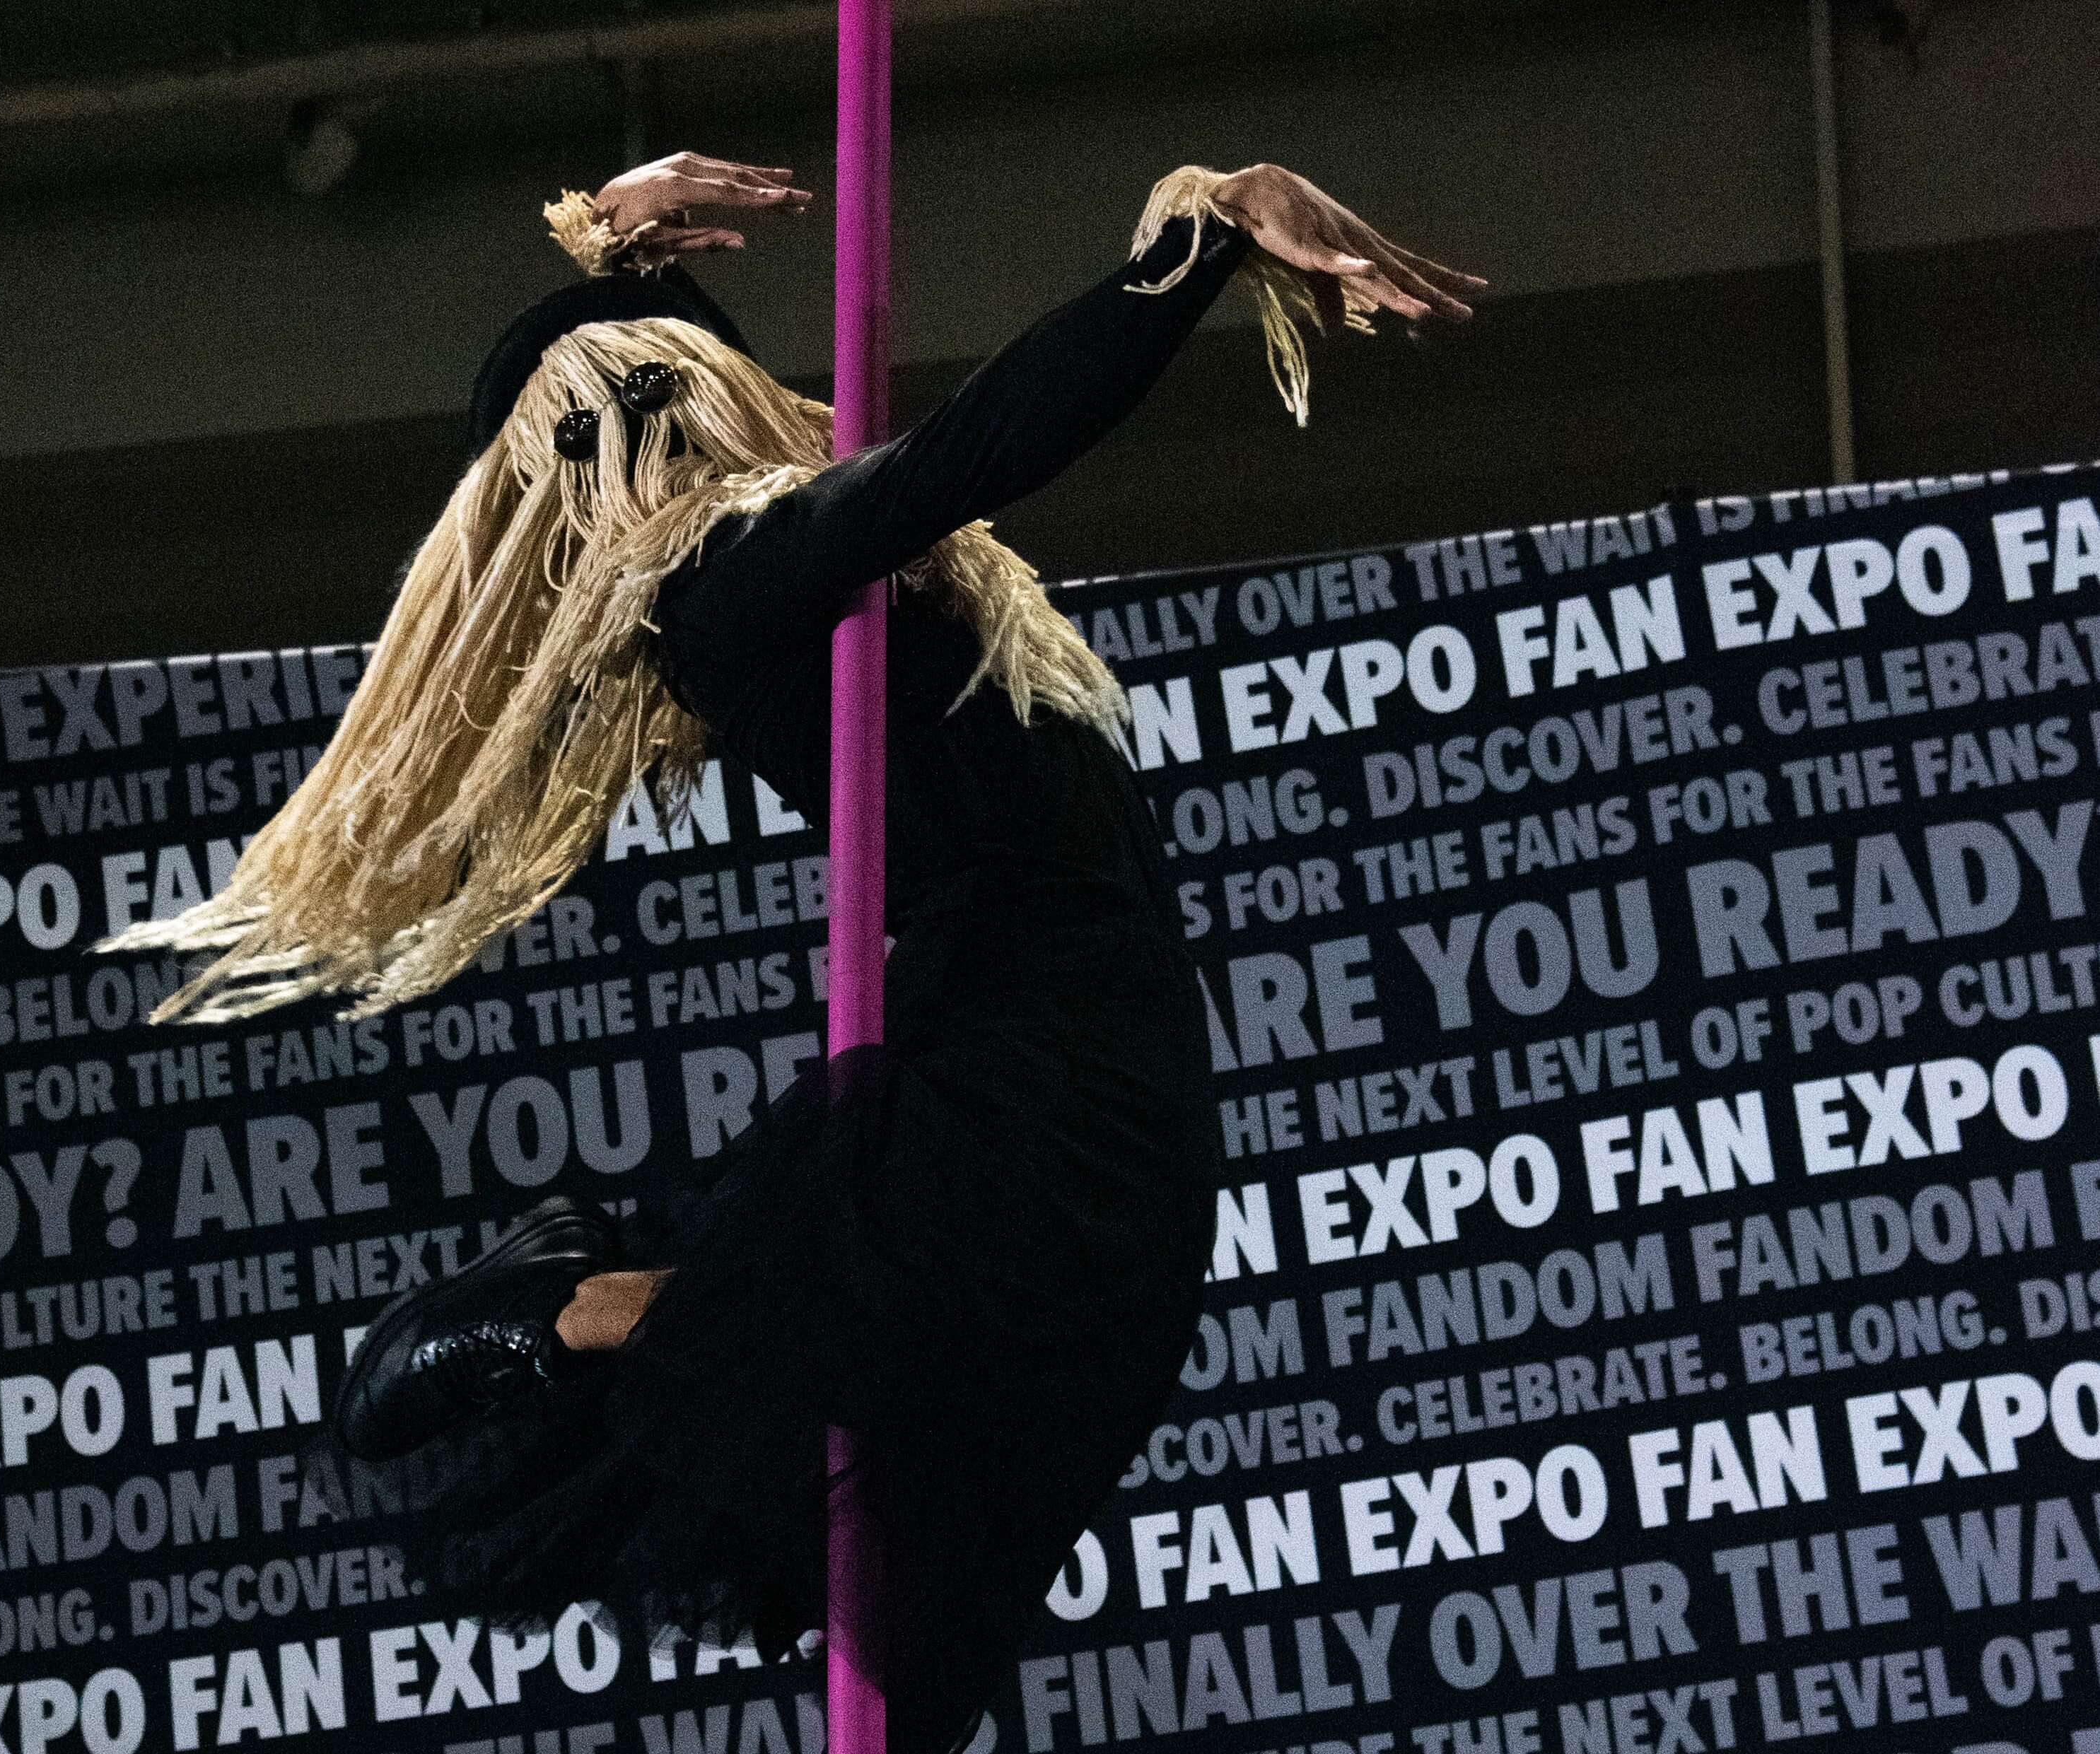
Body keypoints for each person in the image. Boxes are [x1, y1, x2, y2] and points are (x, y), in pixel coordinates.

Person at [103, 148, 1478, 1752]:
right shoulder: (718, 586)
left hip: (1097, 1036)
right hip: (1030, 1054)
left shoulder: (778, 551)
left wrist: (609, 252)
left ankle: (607, 1311)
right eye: (661, 379)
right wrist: (1202, 242)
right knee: (942, 1480)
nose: (722, 384)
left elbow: (747, 422)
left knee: (982, 1503)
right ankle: (573, 1312)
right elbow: (975, 446)